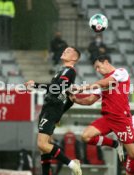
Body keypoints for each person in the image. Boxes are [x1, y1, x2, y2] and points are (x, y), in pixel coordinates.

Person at [69, 55, 134, 163]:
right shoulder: (101, 82)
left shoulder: (121, 72)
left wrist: (82, 88)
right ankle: (115, 144)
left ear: (106, 62)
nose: (97, 70)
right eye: (95, 68)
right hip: (108, 119)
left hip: (121, 120)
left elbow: (107, 82)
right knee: (85, 137)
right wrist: (75, 100)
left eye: (98, 67)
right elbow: (90, 100)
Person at [25, 47, 82, 175]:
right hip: (49, 108)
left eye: (68, 51)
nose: (64, 51)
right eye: (64, 50)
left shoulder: (70, 72)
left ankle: (72, 164)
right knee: (44, 148)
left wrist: (35, 85)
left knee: (42, 144)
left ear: (74, 58)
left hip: (52, 109)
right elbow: (66, 95)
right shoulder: (62, 70)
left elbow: (55, 89)